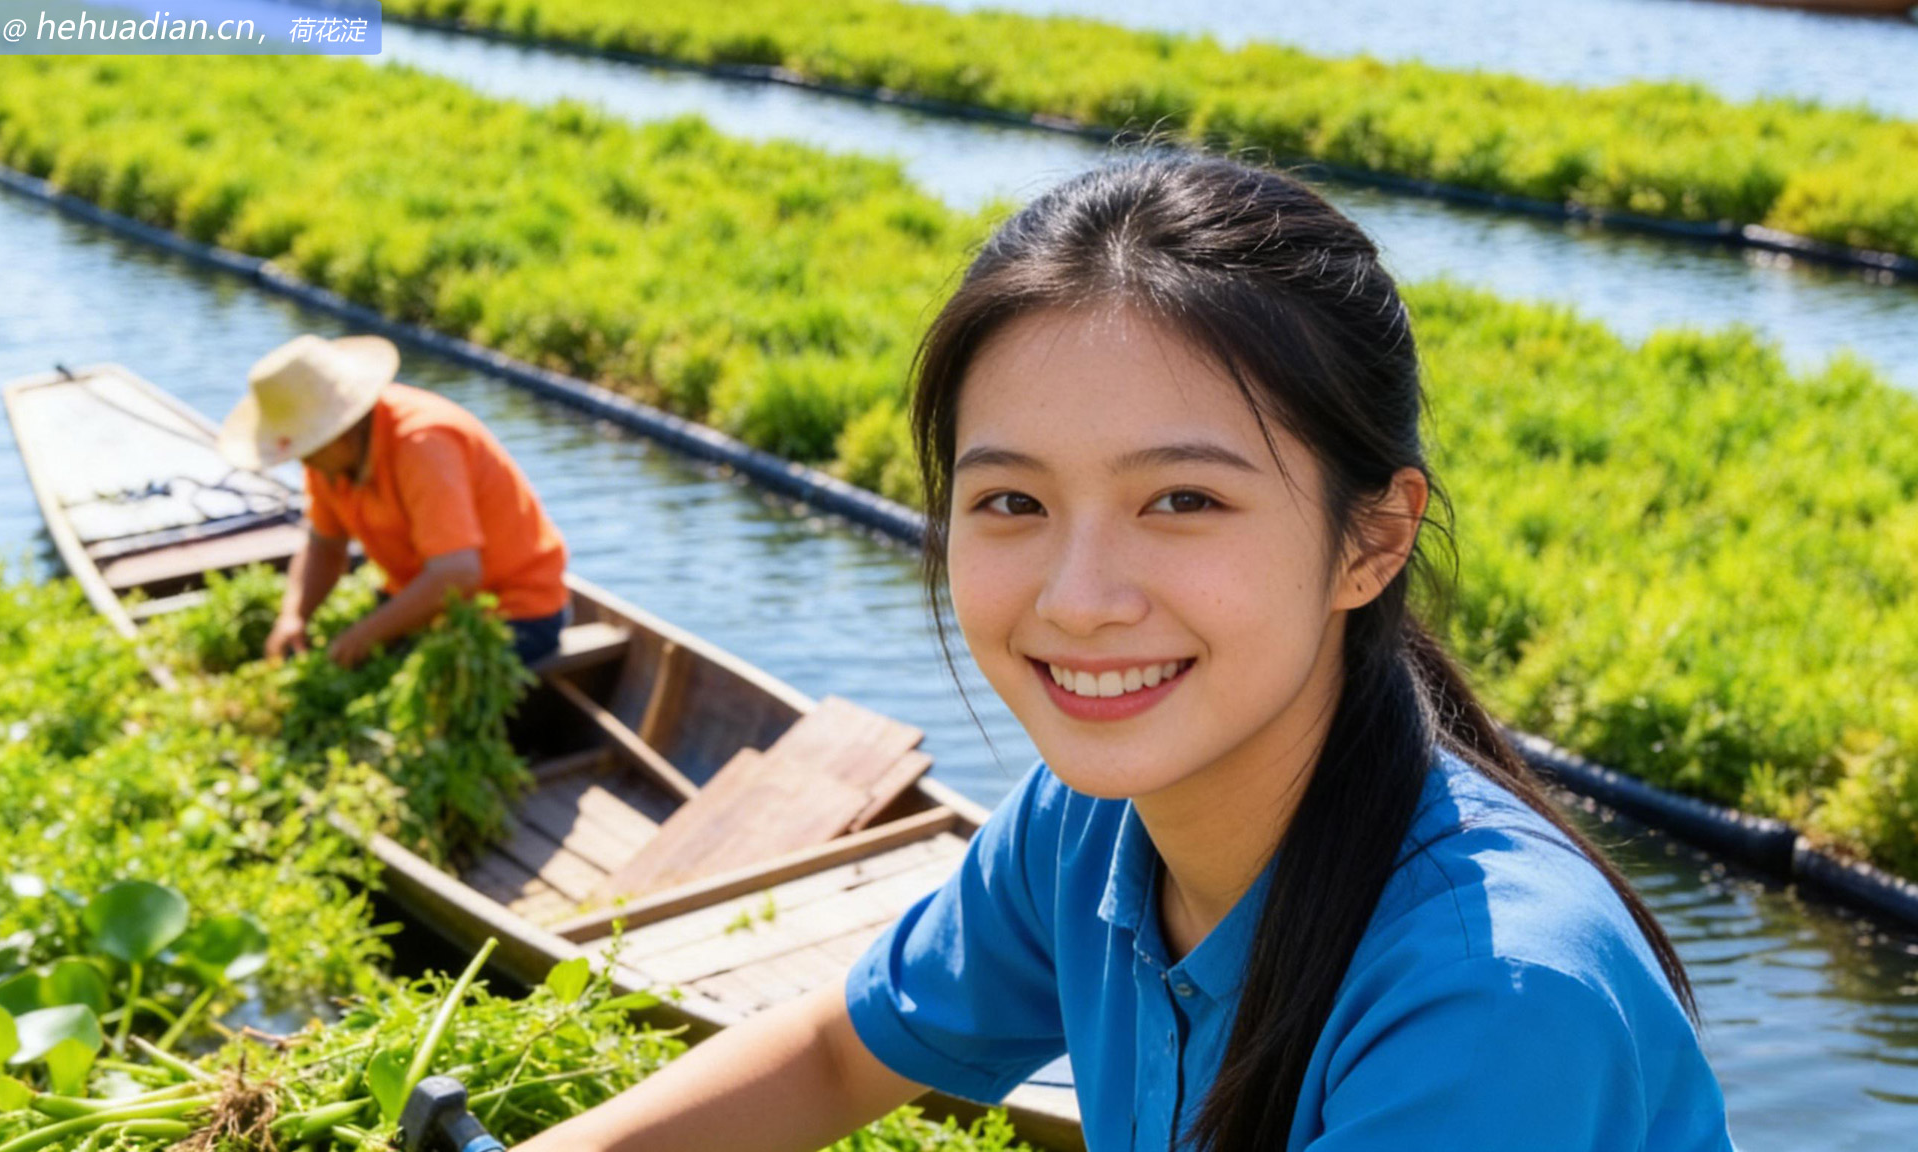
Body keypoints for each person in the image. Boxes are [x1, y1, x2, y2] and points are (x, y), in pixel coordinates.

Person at [513, 155, 1737, 1151]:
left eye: (1182, 501)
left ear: (1369, 540)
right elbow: (835, 1054)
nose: (1078, 601)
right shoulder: (1089, 828)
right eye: (1010, 503)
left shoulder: (1493, 1000)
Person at [218, 333, 571, 669]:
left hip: (511, 609)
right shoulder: (328, 461)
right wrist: (294, 615)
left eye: (306, 448)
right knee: (349, 669)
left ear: (341, 430)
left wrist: (364, 636)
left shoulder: (423, 445)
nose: (303, 460)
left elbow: (458, 573)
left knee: (401, 686)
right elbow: (325, 546)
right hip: (430, 599)